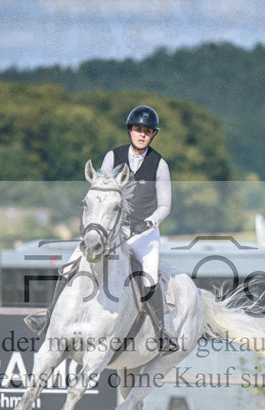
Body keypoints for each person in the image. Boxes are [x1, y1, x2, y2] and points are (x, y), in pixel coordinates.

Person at [24, 105, 179, 354]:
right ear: (130, 131)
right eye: (138, 130)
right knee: (70, 266)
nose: (142, 135)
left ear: (152, 135)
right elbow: (100, 190)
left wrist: (148, 223)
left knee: (149, 277)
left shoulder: (159, 165)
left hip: (144, 234)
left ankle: (161, 333)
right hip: (111, 230)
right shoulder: (113, 157)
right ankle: (49, 317)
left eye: (147, 132)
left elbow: (165, 206)